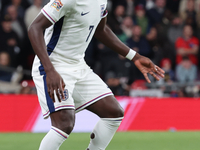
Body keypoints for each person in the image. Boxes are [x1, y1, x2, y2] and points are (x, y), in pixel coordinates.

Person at [28, 0, 165, 150]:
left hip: (78, 65)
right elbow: (35, 27)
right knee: (64, 123)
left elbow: (101, 30)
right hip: (53, 65)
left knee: (114, 113)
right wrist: (50, 71)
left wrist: (135, 57)